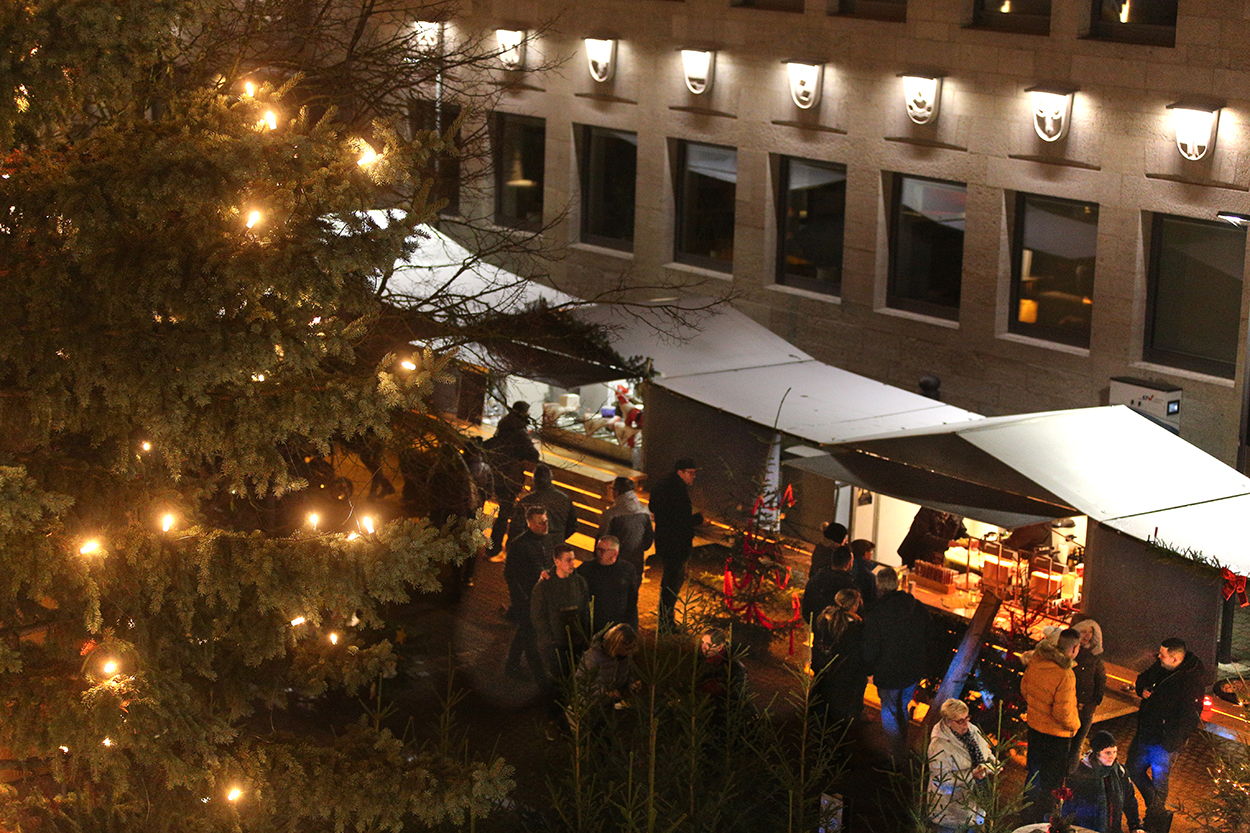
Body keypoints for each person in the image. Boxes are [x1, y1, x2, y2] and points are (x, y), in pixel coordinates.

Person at [1127, 637, 1206, 831]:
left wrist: (1171, 743)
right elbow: (1144, 678)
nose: (1158, 657)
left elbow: (1190, 716)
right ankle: (1159, 813)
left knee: (1159, 779)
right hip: (1147, 731)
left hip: (1164, 742)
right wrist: (1142, 689)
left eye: (1162, 655)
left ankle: (1153, 823)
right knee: (1132, 768)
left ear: (1175, 659)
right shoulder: (1164, 666)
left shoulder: (1191, 680)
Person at [862, 566, 934, 765]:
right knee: (901, 705)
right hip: (913, 668)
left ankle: (897, 756)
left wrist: (868, 668)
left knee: (888, 708)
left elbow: (871, 646)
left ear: (879, 586)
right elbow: (929, 633)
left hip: (889, 671)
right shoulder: (916, 606)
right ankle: (901, 745)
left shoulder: (877, 614)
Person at [1020, 627, 1081, 823]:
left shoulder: (1038, 660)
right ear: (1074, 649)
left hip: (1035, 727)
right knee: (1051, 782)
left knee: (1034, 772)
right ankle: (1044, 820)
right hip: (1056, 735)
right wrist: (1075, 725)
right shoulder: (1065, 674)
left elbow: (1025, 688)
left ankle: (1026, 815)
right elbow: (1062, 712)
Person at [928, 698, 998, 833]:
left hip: (976, 804)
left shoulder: (972, 730)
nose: (966, 724)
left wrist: (993, 763)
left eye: (967, 718)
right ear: (948, 722)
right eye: (960, 721)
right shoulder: (939, 746)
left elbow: (985, 752)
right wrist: (971, 776)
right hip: (950, 811)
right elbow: (941, 780)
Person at [649, 457, 702, 632]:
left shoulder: (662, 485)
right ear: (681, 472)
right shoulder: (677, 490)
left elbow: (655, 507)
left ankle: (665, 619)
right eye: (691, 473)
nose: (693, 477)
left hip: (665, 540)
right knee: (672, 583)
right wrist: (698, 519)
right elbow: (681, 519)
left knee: (669, 581)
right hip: (676, 544)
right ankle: (666, 622)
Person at [483, 400, 539, 559]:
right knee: (506, 514)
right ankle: (497, 550)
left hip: (494, 474)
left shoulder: (503, 426)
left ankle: (489, 549)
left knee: (500, 512)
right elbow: (534, 455)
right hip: (509, 477)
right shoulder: (519, 432)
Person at [503, 506, 549, 678]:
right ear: (530, 523)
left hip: (539, 595)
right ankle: (533, 671)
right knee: (528, 633)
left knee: (525, 632)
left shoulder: (545, 541)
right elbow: (510, 574)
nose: (544, 526)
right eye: (540, 523)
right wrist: (520, 598)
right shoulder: (520, 545)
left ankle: (513, 665)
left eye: (545, 521)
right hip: (527, 597)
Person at [811, 588, 868, 724]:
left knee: (819, 696)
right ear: (854, 606)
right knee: (838, 706)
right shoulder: (855, 627)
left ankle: (813, 722)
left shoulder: (824, 618)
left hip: (822, 665)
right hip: (842, 672)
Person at [1070, 731, 1146, 833]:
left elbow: (1129, 800)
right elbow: (1070, 805)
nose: (1112, 756)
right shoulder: (1081, 772)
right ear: (1097, 753)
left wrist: (1135, 825)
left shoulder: (1119, 771)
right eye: (1107, 753)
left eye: (1114, 752)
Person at [511, 463, 578, 554]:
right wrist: (559, 536)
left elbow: (516, 528)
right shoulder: (564, 499)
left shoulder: (526, 502)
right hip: (556, 546)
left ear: (534, 481)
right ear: (551, 479)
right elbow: (573, 525)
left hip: (532, 547)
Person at [576, 535, 640, 631]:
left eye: (604, 551)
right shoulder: (585, 569)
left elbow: (632, 602)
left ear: (615, 553)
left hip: (616, 626)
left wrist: (632, 627)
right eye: (598, 549)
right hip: (591, 626)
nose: (600, 554)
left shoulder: (627, 570)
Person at [1069, 618, 1108, 773]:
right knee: (1065, 742)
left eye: (1090, 632)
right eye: (1084, 631)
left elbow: (1101, 677)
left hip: (1086, 709)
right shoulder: (1070, 653)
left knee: (1077, 744)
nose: (1087, 635)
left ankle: (1070, 775)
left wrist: (1095, 700)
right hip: (1070, 707)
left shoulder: (1094, 656)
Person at [597, 476, 654, 580]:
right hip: (636, 564)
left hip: (615, 566)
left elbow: (602, 541)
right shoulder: (644, 511)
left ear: (617, 492)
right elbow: (648, 541)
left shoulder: (610, 514)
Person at [575, 622, 641, 709]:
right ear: (614, 645)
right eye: (625, 649)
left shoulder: (624, 656)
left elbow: (627, 675)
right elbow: (581, 683)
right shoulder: (593, 657)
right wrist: (604, 692)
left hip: (613, 704)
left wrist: (632, 684)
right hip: (590, 704)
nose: (627, 652)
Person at [801, 544, 857, 624]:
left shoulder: (816, 579)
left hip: (817, 627)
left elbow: (806, 608)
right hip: (839, 631)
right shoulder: (850, 586)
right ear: (848, 564)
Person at [896, 507, 965, 569]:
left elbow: (960, 532)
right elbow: (923, 536)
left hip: (934, 556)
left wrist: (971, 541)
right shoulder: (928, 509)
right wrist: (948, 543)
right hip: (915, 553)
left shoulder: (956, 514)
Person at [849, 539, 879, 609]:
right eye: (871, 551)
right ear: (865, 554)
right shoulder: (869, 576)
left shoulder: (849, 568)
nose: (872, 553)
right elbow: (874, 598)